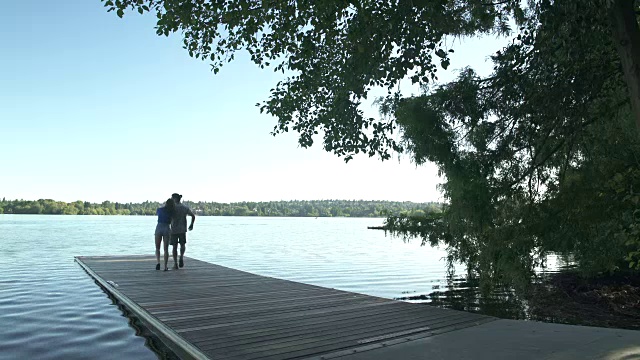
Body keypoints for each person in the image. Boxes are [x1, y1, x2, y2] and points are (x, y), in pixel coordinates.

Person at [170, 193, 195, 269]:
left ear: (175, 199)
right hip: (182, 229)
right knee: (182, 244)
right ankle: (181, 257)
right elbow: (193, 216)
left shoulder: (172, 208)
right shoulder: (184, 207)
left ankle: (175, 263)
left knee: (174, 246)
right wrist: (191, 225)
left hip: (174, 229)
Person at [155, 198, 175, 271]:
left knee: (157, 247)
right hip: (167, 227)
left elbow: (157, 213)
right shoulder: (172, 212)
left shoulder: (160, 209)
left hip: (159, 227)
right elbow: (172, 222)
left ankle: (158, 262)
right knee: (166, 249)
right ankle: (165, 266)